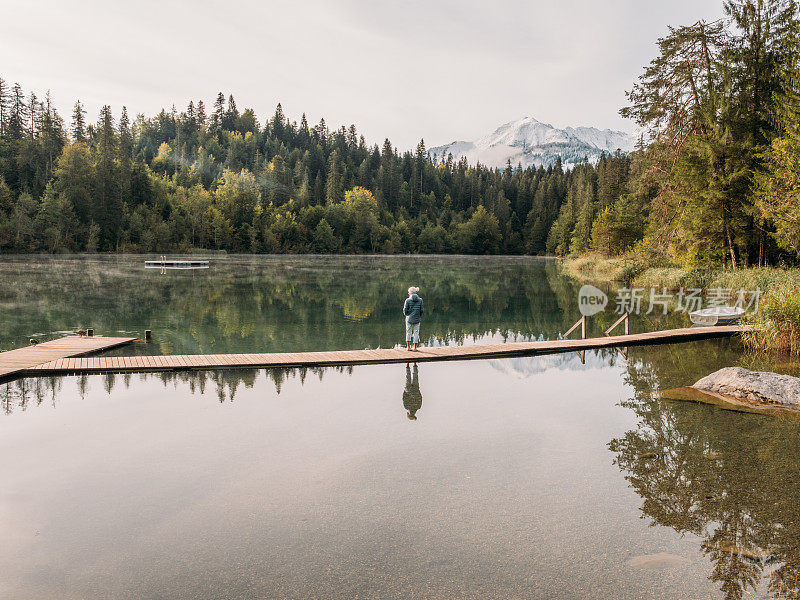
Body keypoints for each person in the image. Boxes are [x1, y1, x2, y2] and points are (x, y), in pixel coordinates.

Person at [403, 286, 424, 351]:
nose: (408, 293)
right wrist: (419, 316)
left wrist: (407, 315)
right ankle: (415, 348)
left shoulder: (408, 300)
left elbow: (405, 310)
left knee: (408, 332)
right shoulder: (420, 300)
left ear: (410, 293)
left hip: (409, 319)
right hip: (417, 319)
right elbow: (422, 310)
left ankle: (408, 347)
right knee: (416, 333)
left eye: (408, 292)